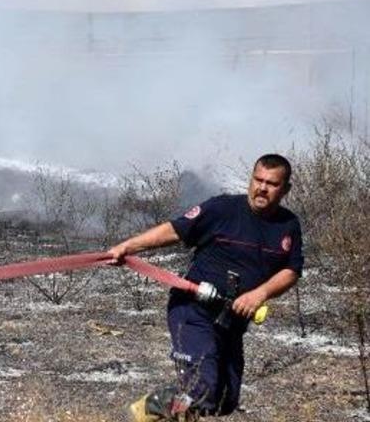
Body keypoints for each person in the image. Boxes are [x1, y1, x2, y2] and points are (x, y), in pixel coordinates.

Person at [109, 154, 304, 422]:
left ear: (285, 189)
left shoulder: (288, 225)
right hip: (194, 310)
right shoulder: (222, 209)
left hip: (232, 321)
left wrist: (260, 293)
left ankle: (170, 410)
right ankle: (148, 410)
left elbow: (291, 270)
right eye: (258, 180)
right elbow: (175, 231)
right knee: (201, 389)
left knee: (223, 400)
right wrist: (127, 247)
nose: (262, 188)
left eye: (271, 183)